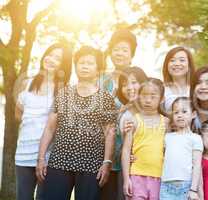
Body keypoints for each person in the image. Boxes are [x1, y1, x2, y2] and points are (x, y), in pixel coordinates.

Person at [36, 46, 117, 200]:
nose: (85, 66)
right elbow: (50, 128)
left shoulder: (106, 98)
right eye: (81, 62)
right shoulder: (64, 93)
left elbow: (110, 133)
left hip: (92, 164)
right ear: (75, 65)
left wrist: (107, 162)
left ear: (98, 68)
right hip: (59, 161)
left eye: (90, 63)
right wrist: (41, 159)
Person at [15, 42, 72, 200]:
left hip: (48, 156)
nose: (51, 59)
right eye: (50, 54)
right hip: (23, 154)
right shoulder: (27, 83)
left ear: (63, 65)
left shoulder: (64, 89)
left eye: (57, 58)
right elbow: (18, 114)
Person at [101, 28, 138, 200]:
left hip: (131, 158)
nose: (120, 53)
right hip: (103, 156)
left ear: (131, 54)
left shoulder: (138, 79)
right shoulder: (102, 80)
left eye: (125, 50)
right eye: (116, 49)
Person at [122, 78, 169, 200]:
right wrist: (126, 179)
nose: (148, 100)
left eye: (153, 96)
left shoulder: (166, 122)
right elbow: (126, 150)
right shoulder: (133, 120)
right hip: (136, 175)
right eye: (144, 96)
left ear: (162, 98)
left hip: (159, 176)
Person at [160, 97, 203, 200]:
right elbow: (160, 156)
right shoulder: (167, 137)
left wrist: (193, 189)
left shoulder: (196, 138)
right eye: (176, 112)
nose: (180, 115)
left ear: (193, 114)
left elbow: (197, 165)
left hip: (186, 187)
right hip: (166, 187)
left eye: (184, 111)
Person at [162, 46, 195, 115]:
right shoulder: (162, 90)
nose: (177, 64)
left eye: (182, 60)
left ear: (189, 65)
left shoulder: (197, 88)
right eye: (172, 60)